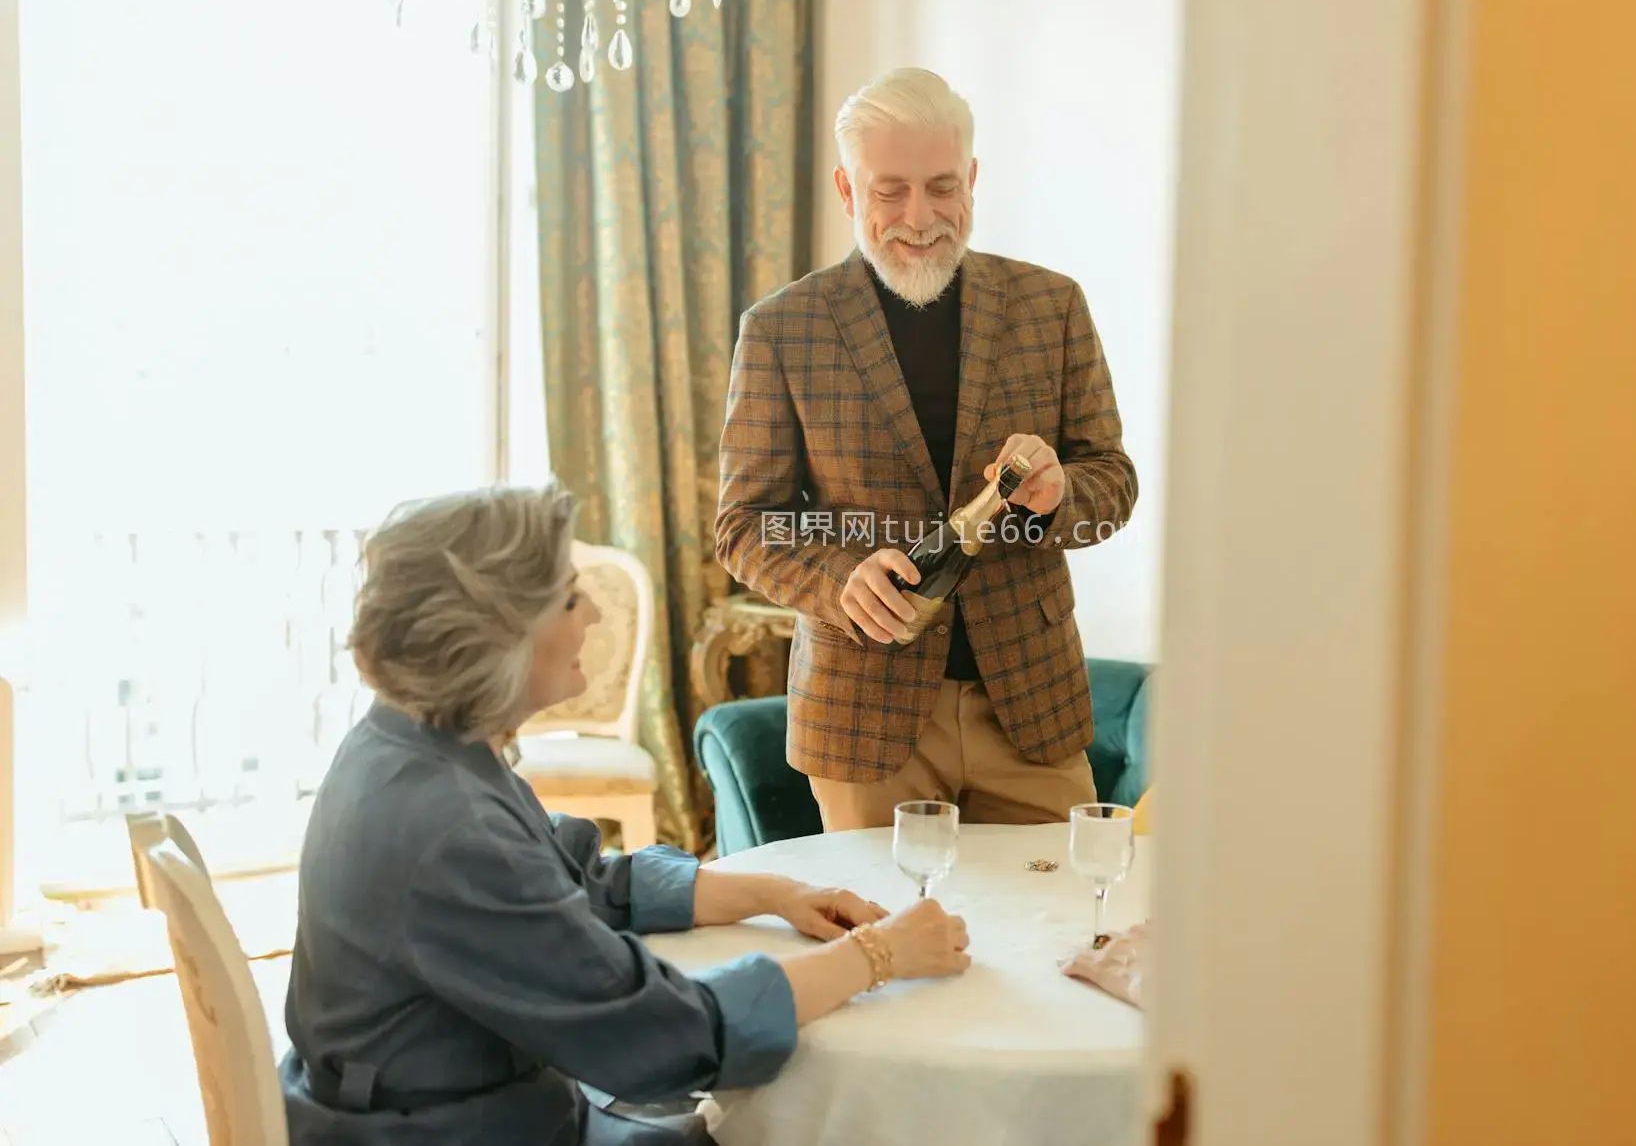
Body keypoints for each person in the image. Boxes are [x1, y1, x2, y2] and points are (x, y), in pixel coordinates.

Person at [279, 483, 971, 1146]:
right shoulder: (453, 831)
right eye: (571, 599)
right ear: (498, 637)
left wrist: (780, 894)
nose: (595, 618)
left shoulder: (410, 748)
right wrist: (876, 954)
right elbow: (663, 1036)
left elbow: (576, 882)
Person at [715, 67, 1138, 832]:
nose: (920, 216)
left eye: (943, 186)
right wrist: (839, 575)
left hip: (1032, 710)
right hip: (862, 720)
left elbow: (1113, 478)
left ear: (972, 180)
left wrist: (1059, 497)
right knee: (887, 947)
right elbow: (747, 524)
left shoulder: (1054, 306)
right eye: (890, 190)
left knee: (1066, 939)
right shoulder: (781, 329)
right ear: (848, 191)